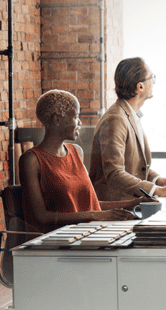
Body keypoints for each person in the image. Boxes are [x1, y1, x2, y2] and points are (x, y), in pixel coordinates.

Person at [22, 90, 141, 233]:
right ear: (57, 120)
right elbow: (42, 217)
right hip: (58, 241)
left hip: (87, 233)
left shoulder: (76, 151)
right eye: (76, 116)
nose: (80, 122)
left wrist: (134, 203)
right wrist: (94, 216)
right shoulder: (31, 160)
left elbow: (92, 205)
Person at [89, 57, 166, 200]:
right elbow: (114, 173)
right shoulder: (115, 119)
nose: (154, 82)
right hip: (116, 207)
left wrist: (157, 181)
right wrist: (157, 191)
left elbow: (133, 166)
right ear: (140, 86)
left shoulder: (130, 115)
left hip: (131, 203)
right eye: (152, 78)